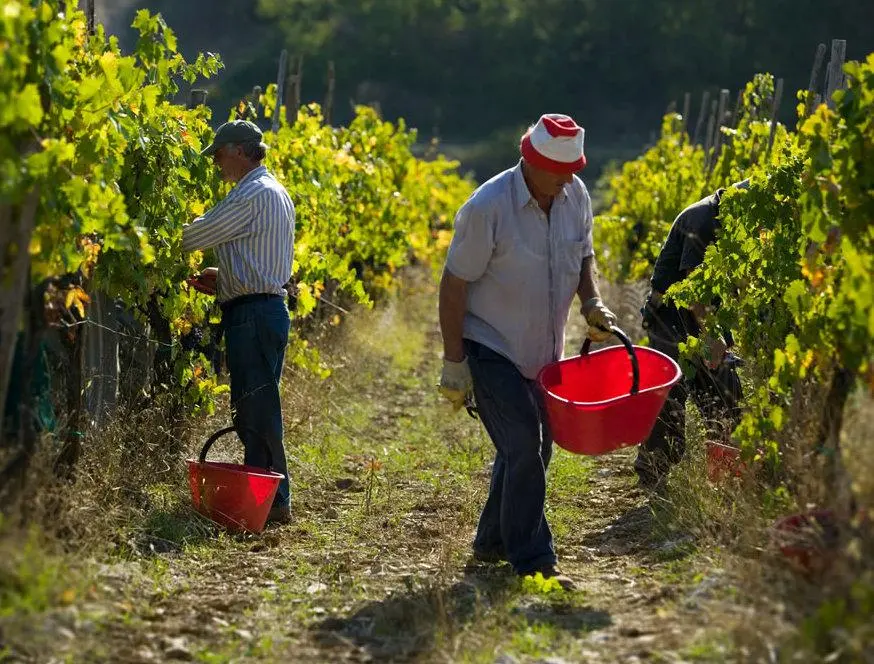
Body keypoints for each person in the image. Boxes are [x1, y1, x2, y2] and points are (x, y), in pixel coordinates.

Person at [438, 114, 618, 589]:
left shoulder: (575, 195)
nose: (568, 179)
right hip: (490, 342)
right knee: (522, 447)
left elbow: (584, 256)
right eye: (560, 171)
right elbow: (454, 285)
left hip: (544, 350)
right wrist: (454, 362)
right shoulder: (489, 207)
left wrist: (592, 300)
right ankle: (535, 561)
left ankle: (492, 540)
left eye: (573, 170)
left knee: (537, 446)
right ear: (531, 162)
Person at [182, 120, 295, 524]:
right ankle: (264, 496)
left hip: (253, 313)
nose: (214, 161)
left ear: (240, 151)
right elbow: (260, 260)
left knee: (258, 411)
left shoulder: (252, 195)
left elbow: (196, 236)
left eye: (219, 152)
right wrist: (225, 278)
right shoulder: (274, 191)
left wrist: (146, 240)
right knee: (254, 408)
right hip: (262, 308)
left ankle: (274, 501)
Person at [636, 181, 748, 492]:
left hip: (700, 312)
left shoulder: (733, 222)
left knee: (726, 393)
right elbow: (695, 291)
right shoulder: (704, 219)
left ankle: (726, 478)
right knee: (672, 392)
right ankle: (652, 469)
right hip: (671, 315)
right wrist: (712, 338)